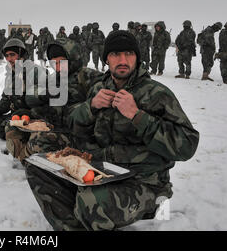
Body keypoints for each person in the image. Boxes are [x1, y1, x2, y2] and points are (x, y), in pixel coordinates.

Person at [25, 30, 199, 231]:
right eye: (115, 54)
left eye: (129, 54)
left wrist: (138, 116)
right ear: (106, 59)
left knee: (90, 202)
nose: (122, 60)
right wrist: (90, 107)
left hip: (143, 181)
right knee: (37, 168)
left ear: (137, 57)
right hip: (103, 169)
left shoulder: (156, 93)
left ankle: (135, 207)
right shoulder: (99, 88)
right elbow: (73, 123)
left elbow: (187, 145)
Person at [4, 38, 103, 161]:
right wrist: (43, 96)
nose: (58, 68)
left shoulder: (89, 77)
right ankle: (26, 156)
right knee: (12, 124)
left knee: (38, 140)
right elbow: (30, 96)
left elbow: (96, 110)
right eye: (53, 63)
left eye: (61, 62)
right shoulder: (53, 78)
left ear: (72, 58)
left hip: (77, 135)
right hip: (54, 125)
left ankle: (30, 158)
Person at [0, 39, 46, 140]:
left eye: (12, 55)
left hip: (33, 118)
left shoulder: (35, 71)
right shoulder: (11, 75)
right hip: (16, 117)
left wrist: (29, 113)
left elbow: (46, 101)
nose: (9, 58)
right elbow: (6, 101)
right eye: (7, 56)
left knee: (10, 128)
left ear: (21, 55)